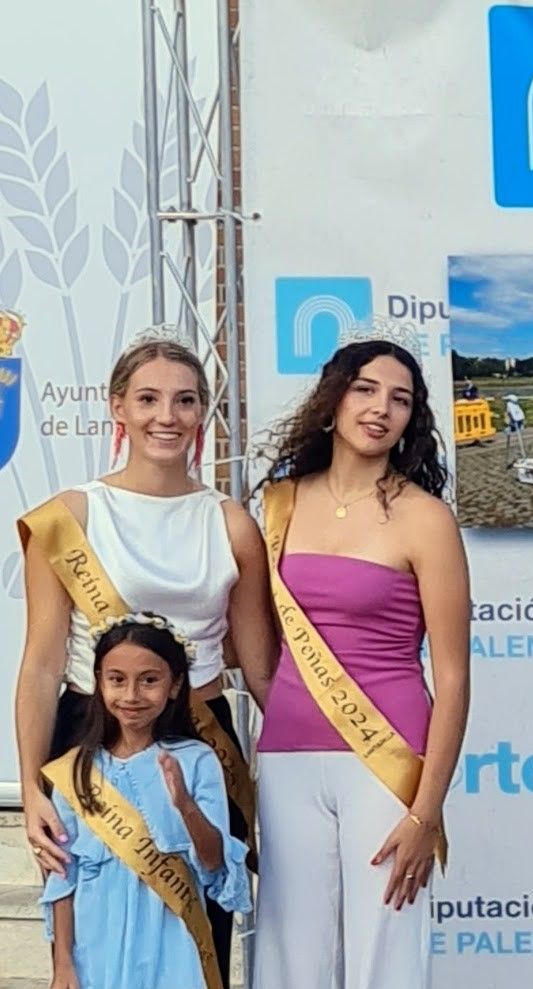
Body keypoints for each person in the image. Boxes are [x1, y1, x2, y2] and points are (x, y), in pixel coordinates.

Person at [14, 332, 277, 987]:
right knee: (87, 942)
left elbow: (262, 667)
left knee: (198, 940)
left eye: (185, 400)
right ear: (118, 409)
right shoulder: (70, 516)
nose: (168, 415)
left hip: (201, 736)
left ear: (202, 413)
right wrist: (29, 789)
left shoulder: (232, 523)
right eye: (149, 398)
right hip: (90, 739)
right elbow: (42, 664)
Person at [249, 329, 473, 989]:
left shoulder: (425, 517)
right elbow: (259, 647)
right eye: (365, 388)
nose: (380, 407)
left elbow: (454, 676)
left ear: (412, 419)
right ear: (332, 399)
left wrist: (424, 810)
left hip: (387, 759)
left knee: (386, 952)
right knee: (290, 953)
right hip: (287, 755)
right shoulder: (278, 503)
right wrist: (294, 706)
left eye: (400, 399)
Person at [39, 613, 252, 989]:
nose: (132, 695)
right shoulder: (76, 769)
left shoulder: (197, 760)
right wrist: (63, 964)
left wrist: (185, 804)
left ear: (175, 686)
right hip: (96, 940)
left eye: (149, 680)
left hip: (170, 938)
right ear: (99, 683)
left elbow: (215, 863)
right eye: (117, 680)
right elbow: (62, 876)